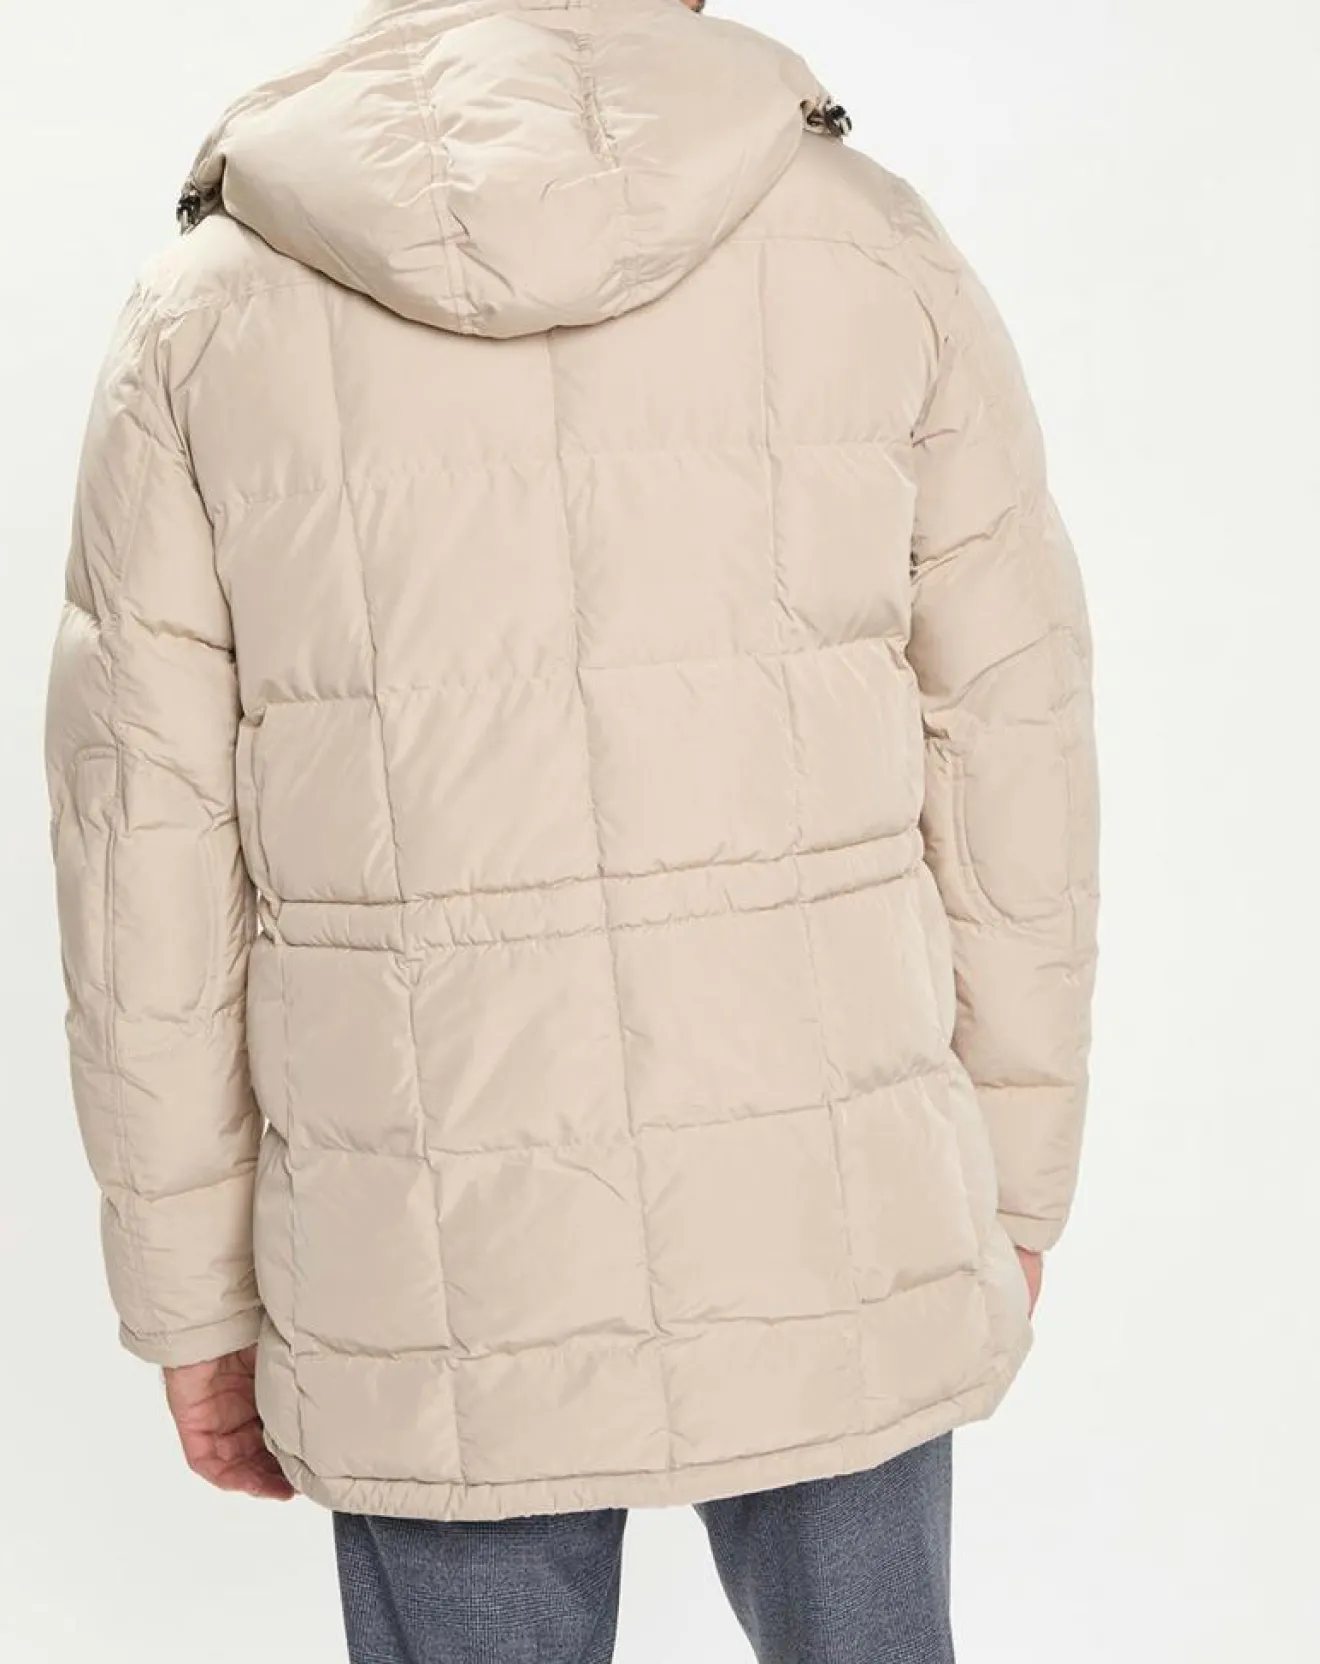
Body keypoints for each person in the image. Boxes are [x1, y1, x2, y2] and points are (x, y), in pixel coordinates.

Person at [44, 0, 1099, 1658]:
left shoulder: (210, 311)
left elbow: (141, 858)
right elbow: (1014, 752)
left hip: (427, 1252)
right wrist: (1013, 1187)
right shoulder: (868, 247)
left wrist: (191, 1289)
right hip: (837, 1207)